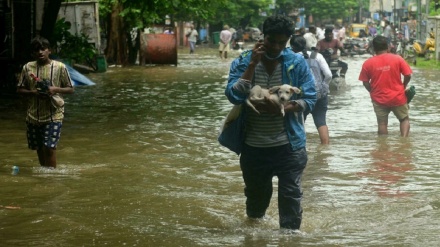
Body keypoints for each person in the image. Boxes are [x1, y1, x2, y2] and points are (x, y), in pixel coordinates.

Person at [225, 15, 316, 230]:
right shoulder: (244, 60)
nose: (275, 47)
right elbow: (233, 96)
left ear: (287, 41)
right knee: (256, 206)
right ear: (262, 37)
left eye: (281, 43)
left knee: (291, 200)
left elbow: (311, 97)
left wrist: (284, 108)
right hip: (254, 147)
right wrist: (252, 65)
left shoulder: (296, 62)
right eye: (271, 41)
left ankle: (290, 241)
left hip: (289, 146)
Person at [17, 36, 74, 169]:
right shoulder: (27, 67)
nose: (40, 52)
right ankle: (44, 173)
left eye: (43, 49)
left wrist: (55, 89)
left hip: (54, 114)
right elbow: (19, 89)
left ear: (49, 50)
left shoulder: (60, 67)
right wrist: (32, 93)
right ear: (32, 53)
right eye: (37, 50)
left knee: (49, 147)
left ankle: (51, 175)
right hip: (33, 115)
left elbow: (71, 89)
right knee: (39, 148)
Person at [358, 36, 412, 137]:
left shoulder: (367, 63)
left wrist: (372, 91)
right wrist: (404, 86)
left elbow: (365, 82)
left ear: (373, 48)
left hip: (379, 98)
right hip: (398, 97)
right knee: (404, 119)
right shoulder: (398, 59)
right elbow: (408, 75)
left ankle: (383, 146)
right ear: (388, 47)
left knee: (382, 124)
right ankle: (404, 141)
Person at [291, 36, 332, 144]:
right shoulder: (317, 55)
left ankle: (301, 146)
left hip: (301, 96)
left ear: (292, 47)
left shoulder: (293, 57)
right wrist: (323, 87)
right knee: (321, 121)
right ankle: (325, 147)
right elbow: (328, 74)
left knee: (300, 121)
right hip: (320, 94)